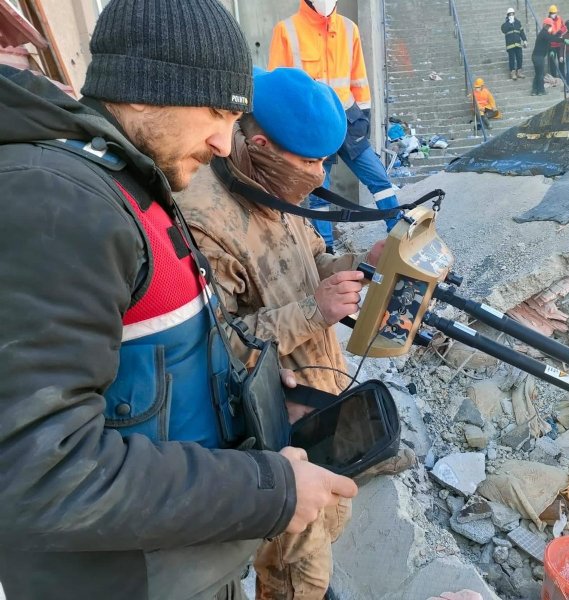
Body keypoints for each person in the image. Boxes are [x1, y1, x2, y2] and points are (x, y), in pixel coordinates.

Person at [0, 0, 357, 598]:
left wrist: (256, 384)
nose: (225, 142)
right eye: (216, 112)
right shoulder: (56, 200)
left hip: (175, 552)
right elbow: (42, 473)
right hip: (128, 576)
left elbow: (156, 361)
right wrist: (267, 490)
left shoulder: (123, 178)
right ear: (142, 91)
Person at [179, 68, 415, 600]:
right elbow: (214, 342)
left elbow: (313, 259)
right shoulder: (205, 218)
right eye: (309, 160)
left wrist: (359, 262)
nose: (319, 172)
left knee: (329, 519)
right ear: (260, 144)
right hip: (272, 430)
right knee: (297, 570)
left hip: (318, 399)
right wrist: (315, 311)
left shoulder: (276, 185)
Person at [268, 0, 400, 254]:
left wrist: (364, 120)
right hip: (312, 124)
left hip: (348, 120)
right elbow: (279, 86)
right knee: (319, 191)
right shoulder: (286, 30)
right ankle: (326, 249)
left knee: (378, 178)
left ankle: (397, 230)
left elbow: (359, 78)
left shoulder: (349, 29)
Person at [531, 18, 564, 96]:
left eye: (550, 26)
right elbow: (552, 39)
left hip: (537, 57)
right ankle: (541, 91)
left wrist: (552, 51)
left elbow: (549, 44)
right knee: (540, 74)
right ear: (545, 25)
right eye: (549, 26)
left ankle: (534, 90)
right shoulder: (544, 33)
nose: (550, 27)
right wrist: (563, 40)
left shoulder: (544, 34)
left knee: (537, 74)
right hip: (539, 57)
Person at [501, 7, 527, 81]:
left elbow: (521, 32)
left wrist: (525, 40)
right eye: (510, 14)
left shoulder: (518, 22)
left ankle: (519, 71)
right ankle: (512, 72)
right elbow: (503, 30)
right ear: (507, 15)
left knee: (519, 57)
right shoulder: (505, 24)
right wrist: (509, 23)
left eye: (512, 14)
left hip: (518, 44)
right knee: (512, 59)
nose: (511, 15)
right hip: (510, 45)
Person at [546, 4, 567, 78]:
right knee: (552, 62)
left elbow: (564, 27)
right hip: (551, 45)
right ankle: (554, 76)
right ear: (550, 13)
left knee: (561, 60)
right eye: (553, 13)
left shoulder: (559, 19)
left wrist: (561, 31)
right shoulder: (547, 21)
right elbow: (546, 32)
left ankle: (562, 76)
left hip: (559, 44)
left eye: (555, 13)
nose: (554, 15)